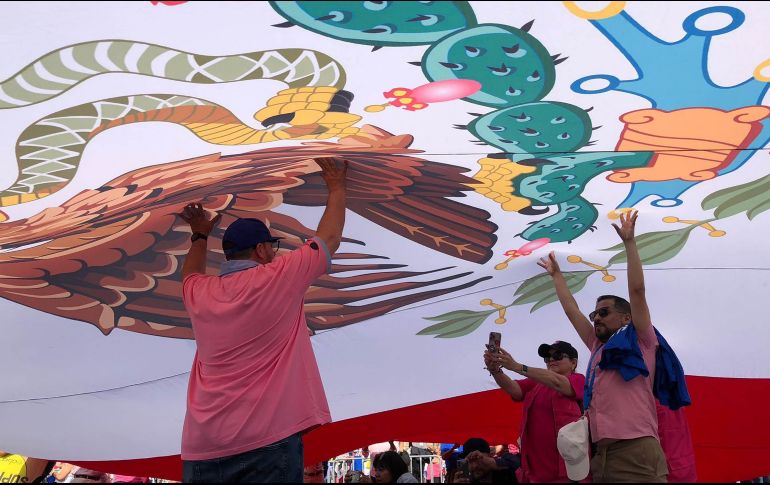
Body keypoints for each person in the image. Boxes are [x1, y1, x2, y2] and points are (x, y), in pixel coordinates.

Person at [178, 157, 349, 483]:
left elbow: (190, 272)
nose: (275, 254)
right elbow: (329, 239)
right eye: (272, 247)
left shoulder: (199, 293)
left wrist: (199, 234)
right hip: (267, 439)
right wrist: (337, 186)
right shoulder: (278, 277)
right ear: (260, 250)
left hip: (203, 444)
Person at [538, 210, 668, 482]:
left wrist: (630, 244)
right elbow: (572, 310)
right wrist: (556, 276)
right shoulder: (597, 346)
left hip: (636, 448)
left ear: (626, 317)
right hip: (601, 452)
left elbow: (637, 291)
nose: (597, 317)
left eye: (604, 312)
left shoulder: (642, 340)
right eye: (595, 314)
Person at [484, 341, 585, 482]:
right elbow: (514, 389)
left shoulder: (578, 379)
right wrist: (495, 370)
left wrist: (516, 366)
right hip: (536, 472)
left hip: (566, 471)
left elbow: (558, 383)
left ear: (573, 363)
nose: (551, 360)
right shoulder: (537, 382)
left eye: (557, 355)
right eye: (547, 357)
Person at [454, 438, 519, 484]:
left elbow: (521, 465)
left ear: (489, 457)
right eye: (469, 462)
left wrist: (493, 463)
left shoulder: (506, 475)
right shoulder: (469, 480)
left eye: (478, 459)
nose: (474, 466)